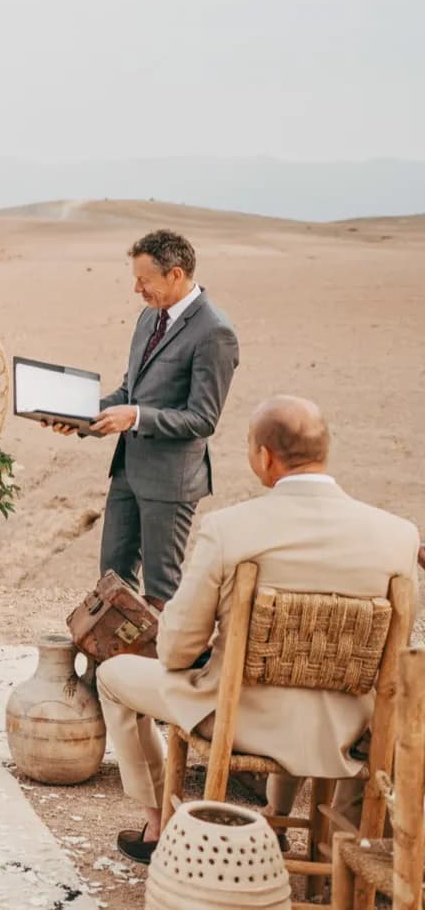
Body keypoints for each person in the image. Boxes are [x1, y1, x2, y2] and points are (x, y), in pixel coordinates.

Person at [94, 397, 418, 863]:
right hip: (346, 729)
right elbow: (392, 649)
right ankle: (297, 832)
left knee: (115, 677)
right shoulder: (397, 535)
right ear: (324, 451)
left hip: (241, 721)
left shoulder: (231, 529)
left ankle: (159, 826)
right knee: (313, 677)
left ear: (265, 457)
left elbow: (176, 650)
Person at [49, 229, 238, 602]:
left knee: (161, 590)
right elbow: (128, 393)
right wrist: (79, 418)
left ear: (176, 274)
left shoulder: (214, 333)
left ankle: (169, 660)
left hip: (171, 482)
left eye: (144, 280)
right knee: (112, 580)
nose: (137, 289)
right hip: (127, 473)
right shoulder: (149, 319)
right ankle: (116, 659)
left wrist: (135, 418)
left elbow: (202, 419)